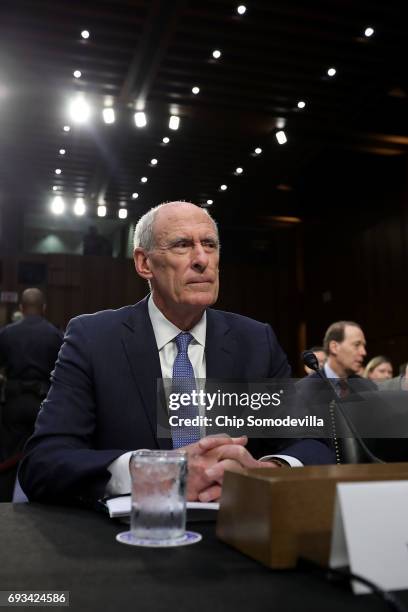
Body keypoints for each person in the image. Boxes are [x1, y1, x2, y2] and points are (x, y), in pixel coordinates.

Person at [19, 202, 333, 505]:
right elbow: (44, 461)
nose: (202, 259)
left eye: (209, 245)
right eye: (182, 245)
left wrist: (267, 472)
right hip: (128, 543)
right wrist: (154, 473)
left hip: (237, 540)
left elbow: (312, 444)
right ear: (144, 263)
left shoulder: (256, 342)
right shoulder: (94, 339)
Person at [0, 288, 63, 500]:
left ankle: (4, 505)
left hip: (13, 403)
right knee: (44, 454)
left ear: (21, 308)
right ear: (44, 308)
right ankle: (42, 504)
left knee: (9, 456)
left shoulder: (7, 333)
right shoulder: (55, 335)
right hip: (44, 402)